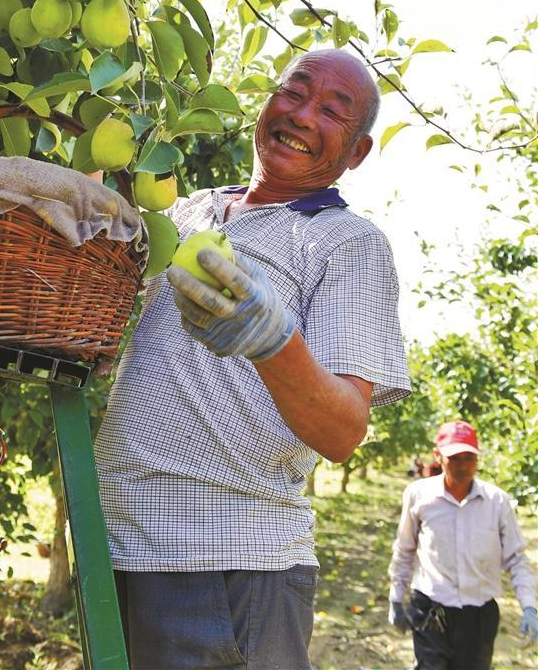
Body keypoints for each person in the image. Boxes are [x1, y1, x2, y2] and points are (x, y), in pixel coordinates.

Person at [95, 48, 411, 670]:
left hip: (229, 560)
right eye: (294, 92)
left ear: (357, 153)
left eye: (332, 110)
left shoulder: (348, 243)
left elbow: (344, 431)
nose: (303, 114)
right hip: (118, 544)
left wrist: (274, 341)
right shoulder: (190, 210)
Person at [388, 420, 538, 669]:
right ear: (438, 456)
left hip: (478, 615)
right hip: (431, 609)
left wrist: (529, 606)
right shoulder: (419, 496)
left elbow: (516, 558)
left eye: (469, 458)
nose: (463, 466)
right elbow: (405, 549)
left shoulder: (497, 502)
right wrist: (396, 598)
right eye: (455, 458)